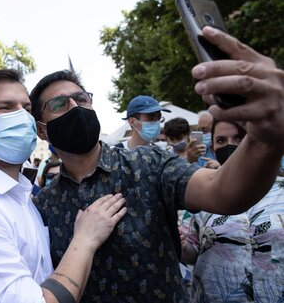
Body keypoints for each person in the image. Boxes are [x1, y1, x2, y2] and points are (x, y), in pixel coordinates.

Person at [29, 26, 284, 302]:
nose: (75, 107)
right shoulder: (43, 206)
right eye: (59, 104)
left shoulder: (148, 163)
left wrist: (265, 133)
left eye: (81, 99)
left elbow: (223, 191)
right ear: (42, 130)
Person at [0, 69, 127, 303]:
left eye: (26, 109)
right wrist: (85, 241)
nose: (22, 117)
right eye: (5, 108)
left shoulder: (19, 195)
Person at [180, 120, 283, 302]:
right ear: (212, 147)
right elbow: (191, 252)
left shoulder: (281, 189)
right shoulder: (200, 195)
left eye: (239, 138)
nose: (230, 145)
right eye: (221, 140)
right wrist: (181, 243)